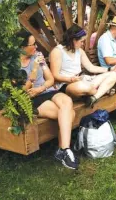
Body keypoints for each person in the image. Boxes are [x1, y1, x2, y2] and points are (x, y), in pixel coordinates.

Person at [18, 30, 78, 169]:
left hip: (45, 90)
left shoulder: (38, 56)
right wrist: (33, 71)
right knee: (70, 114)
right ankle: (62, 151)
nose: (36, 48)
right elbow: (21, 91)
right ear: (21, 47)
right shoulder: (15, 65)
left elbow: (50, 79)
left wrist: (41, 88)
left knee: (67, 102)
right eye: (32, 45)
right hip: (31, 99)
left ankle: (64, 149)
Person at [50, 24, 116, 108]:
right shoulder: (57, 51)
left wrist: (109, 69)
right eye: (82, 41)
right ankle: (103, 91)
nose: (83, 44)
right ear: (74, 40)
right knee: (82, 87)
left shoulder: (79, 51)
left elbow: (91, 67)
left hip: (83, 80)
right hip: (67, 84)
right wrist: (70, 79)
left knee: (114, 75)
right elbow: (55, 75)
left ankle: (94, 97)